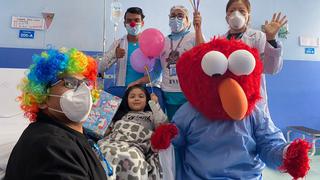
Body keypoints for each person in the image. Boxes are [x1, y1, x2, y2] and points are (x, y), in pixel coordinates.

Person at [151, 38, 311, 180]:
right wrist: (168, 136)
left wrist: (286, 153)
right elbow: (177, 141)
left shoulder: (254, 113)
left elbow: (268, 142)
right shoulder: (190, 111)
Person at [4, 48, 108, 180]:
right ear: (42, 97)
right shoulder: (51, 147)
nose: (84, 90)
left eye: (87, 84)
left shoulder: (67, 133)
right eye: (69, 83)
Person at [141, 5, 204, 120]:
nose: (176, 19)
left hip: (188, 93)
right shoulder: (162, 41)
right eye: (173, 16)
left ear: (187, 20)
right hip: (168, 94)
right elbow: (156, 72)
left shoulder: (194, 37)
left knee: (189, 128)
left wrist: (198, 29)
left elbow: (203, 56)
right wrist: (138, 81)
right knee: (173, 128)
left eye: (180, 16)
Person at [98, 84, 168, 180]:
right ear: (127, 100)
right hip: (114, 141)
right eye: (132, 97)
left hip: (136, 146)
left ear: (147, 100)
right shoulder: (121, 116)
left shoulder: (151, 115)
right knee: (103, 151)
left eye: (141, 96)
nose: (136, 99)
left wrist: (155, 104)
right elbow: (107, 132)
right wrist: (100, 113)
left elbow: (163, 125)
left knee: (132, 157)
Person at [99, 7, 155, 87]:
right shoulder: (118, 44)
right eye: (129, 20)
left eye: (136, 20)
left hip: (144, 93)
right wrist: (114, 54)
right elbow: (101, 68)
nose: (133, 23)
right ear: (125, 24)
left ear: (142, 23)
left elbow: (157, 71)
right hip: (123, 91)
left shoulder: (150, 44)